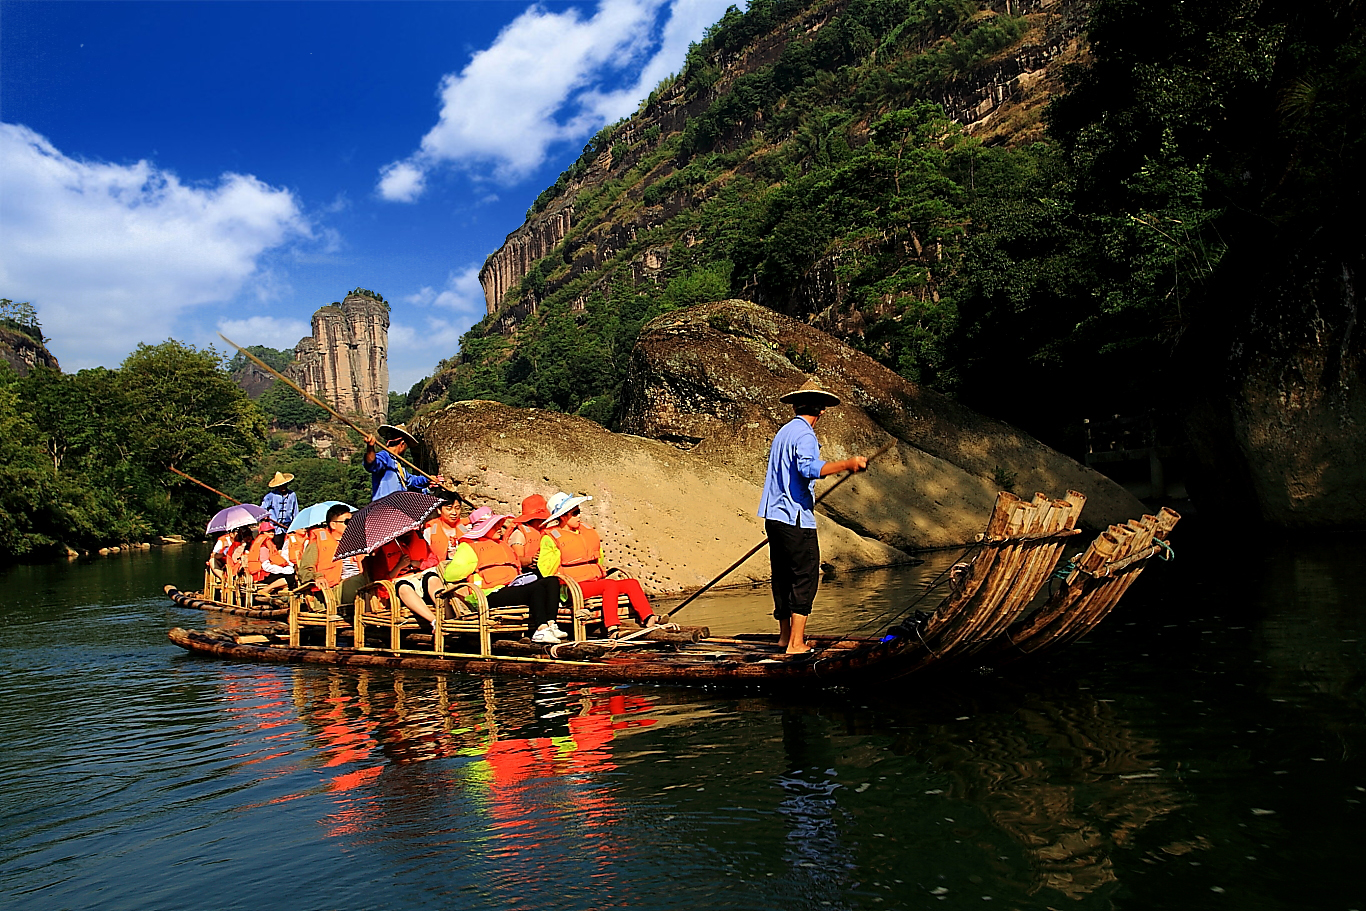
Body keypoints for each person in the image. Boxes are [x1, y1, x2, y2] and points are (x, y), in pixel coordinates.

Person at [758, 378, 867, 654]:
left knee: (782, 576)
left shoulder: (784, 432)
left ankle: (784, 637)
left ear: (796, 406)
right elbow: (809, 468)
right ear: (821, 410)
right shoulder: (805, 435)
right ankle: (795, 643)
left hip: (774, 516)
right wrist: (848, 464)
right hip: (795, 518)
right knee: (805, 576)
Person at [542, 491, 661, 636]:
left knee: (631, 583)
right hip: (575, 587)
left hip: (595, 582)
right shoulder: (550, 538)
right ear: (562, 516)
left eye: (579, 512)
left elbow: (600, 556)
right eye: (575, 513)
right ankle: (611, 626)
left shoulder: (585, 531)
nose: (579, 516)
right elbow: (547, 570)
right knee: (609, 584)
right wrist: (563, 582)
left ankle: (648, 617)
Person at [442, 507, 566, 644]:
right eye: (495, 526)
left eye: (499, 525)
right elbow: (449, 575)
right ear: (483, 528)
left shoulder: (502, 544)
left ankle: (551, 623)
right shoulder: (469, 547)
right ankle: (541, 629)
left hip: (511, 587)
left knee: (552, 581)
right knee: (536, 589)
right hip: (489, 594)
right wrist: (473, 564)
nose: (500, 528)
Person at [362, 529, 443, 630]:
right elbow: (380, 580)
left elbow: (434, 561)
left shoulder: (420, 538)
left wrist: (417, 564)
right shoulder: (382, 550)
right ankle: (434, 621)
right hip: (400, 585)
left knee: (433, 579)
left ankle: (446, 616)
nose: (406, 531)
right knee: (404, 587)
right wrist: (399, 567)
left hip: (421, 577)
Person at [364, 424, 432, 500]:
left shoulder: (399, 466)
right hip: (385, 507)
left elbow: (411, 481)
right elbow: (371, 464)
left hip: (398, 506)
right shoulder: (385, 457)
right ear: (402, 444)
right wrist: (370, 447)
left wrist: (428, 479)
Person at [246, 519, 295, 597]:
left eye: (272, 531)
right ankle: (266, 589)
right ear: (262, 533)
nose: (271, 533)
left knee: (290, 576)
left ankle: (284, 595)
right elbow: (266, 566)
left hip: (269, 572)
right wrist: (283, 570)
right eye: (268, 531)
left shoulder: (269, 544)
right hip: (263, 574)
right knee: (290, 578)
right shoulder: (263, 547)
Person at [505, 494, 552, 572]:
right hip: (528, 573)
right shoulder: (518, 534)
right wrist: (531, 560)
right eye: (540, 519)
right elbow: (517, 559)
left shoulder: (544, 531)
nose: (543, 521)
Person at [422, 490, 465, 563]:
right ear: (439, 510)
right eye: (449, 509)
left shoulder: (465, 528)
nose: (454, 513)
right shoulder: (430, 531)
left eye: (457, 508)